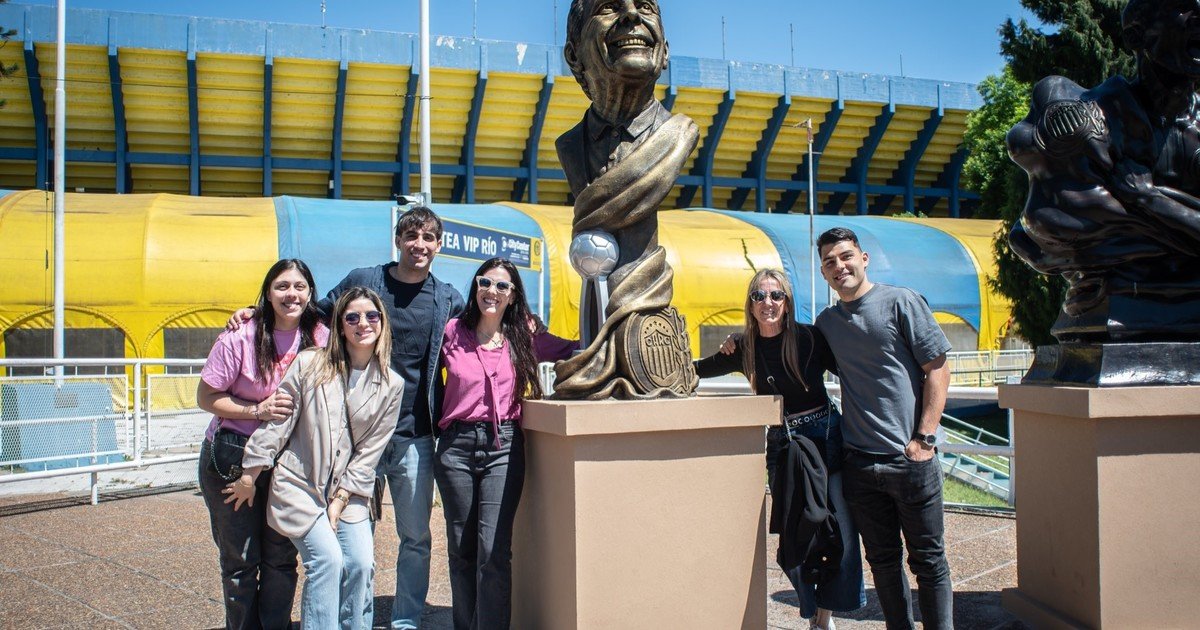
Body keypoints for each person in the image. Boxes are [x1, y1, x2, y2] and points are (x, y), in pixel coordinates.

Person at [229, 206, 465, 629]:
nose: (420, 244)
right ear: (397, 240)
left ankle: (407, 619)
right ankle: (354, 617)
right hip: (352, 439)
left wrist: (531, 330)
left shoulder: (447, 297)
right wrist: (256, 311)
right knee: (356, 541)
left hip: (414, 433)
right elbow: (311, 309)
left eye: (429, 237)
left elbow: (479, 332)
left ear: (439, 244)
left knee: (415, 537)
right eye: (412, 235)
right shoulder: (364, 282)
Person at [226, 287, 404, 629]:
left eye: (371, 316)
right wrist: (250, 472)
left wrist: (340, 500)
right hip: (299, 483)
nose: (362, 324)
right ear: (339, 326)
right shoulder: (312, 363)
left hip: (348, 491)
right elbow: (280, 419)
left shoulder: (391, 384)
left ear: (382, 323)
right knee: (327, 560)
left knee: (362, 564)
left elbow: (370, 451)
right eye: (352, 317)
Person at [697, 268, 864, 630]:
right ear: (750, 304)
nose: (768, 303)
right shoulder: (742, 348)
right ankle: (810, 605)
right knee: (796, 536)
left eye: (776, 296)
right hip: (784, 447)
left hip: (825, 439)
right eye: (759, 296)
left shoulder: (810, 339)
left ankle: (824, 617)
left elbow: (854, 370)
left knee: (842, 532)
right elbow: (697, 370)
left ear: (787, 302)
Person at [815, 227, 953, 630]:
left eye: (845, 256)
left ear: (863, 258)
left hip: (910, 462)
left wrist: (924, 440)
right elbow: (790, 351)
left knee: (928, 561)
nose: (839, 266)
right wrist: (741, 343)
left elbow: (939, 369)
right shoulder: (827, 323)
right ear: (823, 273)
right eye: (829, 262)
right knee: (884, 564)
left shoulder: (900, 302)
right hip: (861, 465)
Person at [435, 257, 578, 630]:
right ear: (475, 287)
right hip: (456, 447)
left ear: (513, 296)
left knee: (493, 551)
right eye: (485, 282)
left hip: (504, 446)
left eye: (502, 286)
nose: (492, 291)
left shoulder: (525, 337)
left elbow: (576, 350)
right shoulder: (452, 331)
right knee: (462, 550)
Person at [197, 258, 328, 630]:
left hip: (289, 462)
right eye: (282, 286)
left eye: (299, 286)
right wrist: (258, 409)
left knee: (281, 557)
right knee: (240, 561)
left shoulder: (321, 336)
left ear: (310, 292)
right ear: (268, 293)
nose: (292, 294)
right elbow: (207, 397)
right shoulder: (241, 336)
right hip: (234, 459)